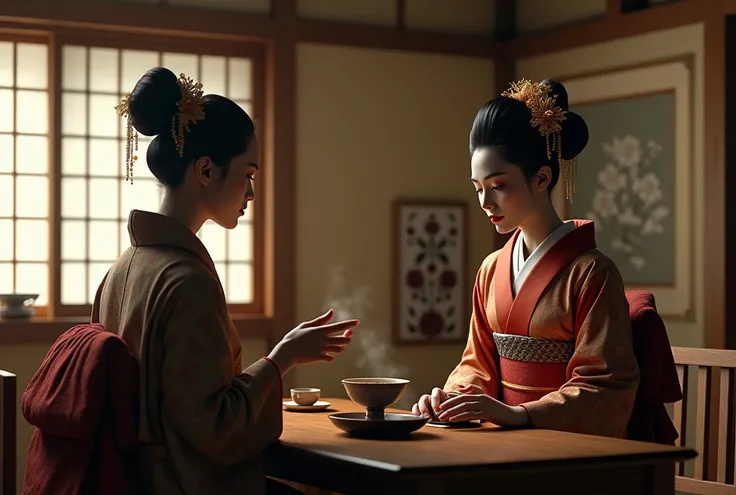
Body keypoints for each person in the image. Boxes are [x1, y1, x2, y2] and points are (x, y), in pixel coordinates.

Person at [93, 67, 359, 495]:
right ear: (205, 170)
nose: (252, 193)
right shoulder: (185, 281)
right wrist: (281, 359)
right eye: (248, 174)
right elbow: (216, 426)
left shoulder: (123, 267)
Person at [412, 79, 641, 438]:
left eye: (498, 185)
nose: (486, 203)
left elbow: (605, 388)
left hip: (566, 449)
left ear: (542, 178)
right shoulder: (491, 270)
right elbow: (477, 365)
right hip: (502, 442)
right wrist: (452, 400)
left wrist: (520, 414)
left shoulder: (592, 273)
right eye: (478, 189)